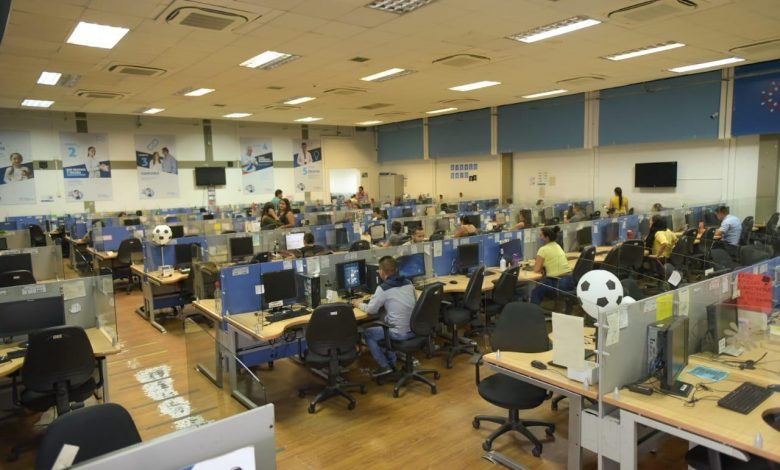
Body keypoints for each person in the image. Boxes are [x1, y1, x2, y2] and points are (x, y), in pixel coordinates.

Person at [353, 256, 416, 377]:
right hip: (414, 330)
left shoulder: (383, 288)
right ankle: (392, 362)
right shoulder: (409, 284)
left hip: (399, 333)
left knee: (368, 333)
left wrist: (358, 303)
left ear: (381, 272)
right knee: (385, 320)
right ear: (396, 269)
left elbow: (371, 310)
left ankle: (385, 366)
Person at [530, 226, 573, 305]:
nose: (540, 237)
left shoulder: (543, 249)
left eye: (541, 235)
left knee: (535, 292)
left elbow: (536, 269)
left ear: (547, 238)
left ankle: (534, 311)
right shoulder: (558, 246)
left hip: (557, 282)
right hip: (569, 280)